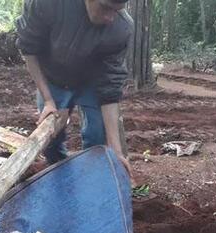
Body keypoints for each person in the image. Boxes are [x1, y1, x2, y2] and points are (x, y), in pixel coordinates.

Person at [15, 0, 133, 173]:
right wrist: (48, 101)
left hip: (92, 81)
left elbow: (110, 88)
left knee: (97, 136)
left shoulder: (121, 27)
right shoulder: (47, 4)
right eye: (105, 8)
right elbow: (29, 50)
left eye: (116, 11)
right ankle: (58, 172)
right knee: (51, 138)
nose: (110, 18)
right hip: (53, 77)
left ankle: (90, 175)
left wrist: (116, 151)